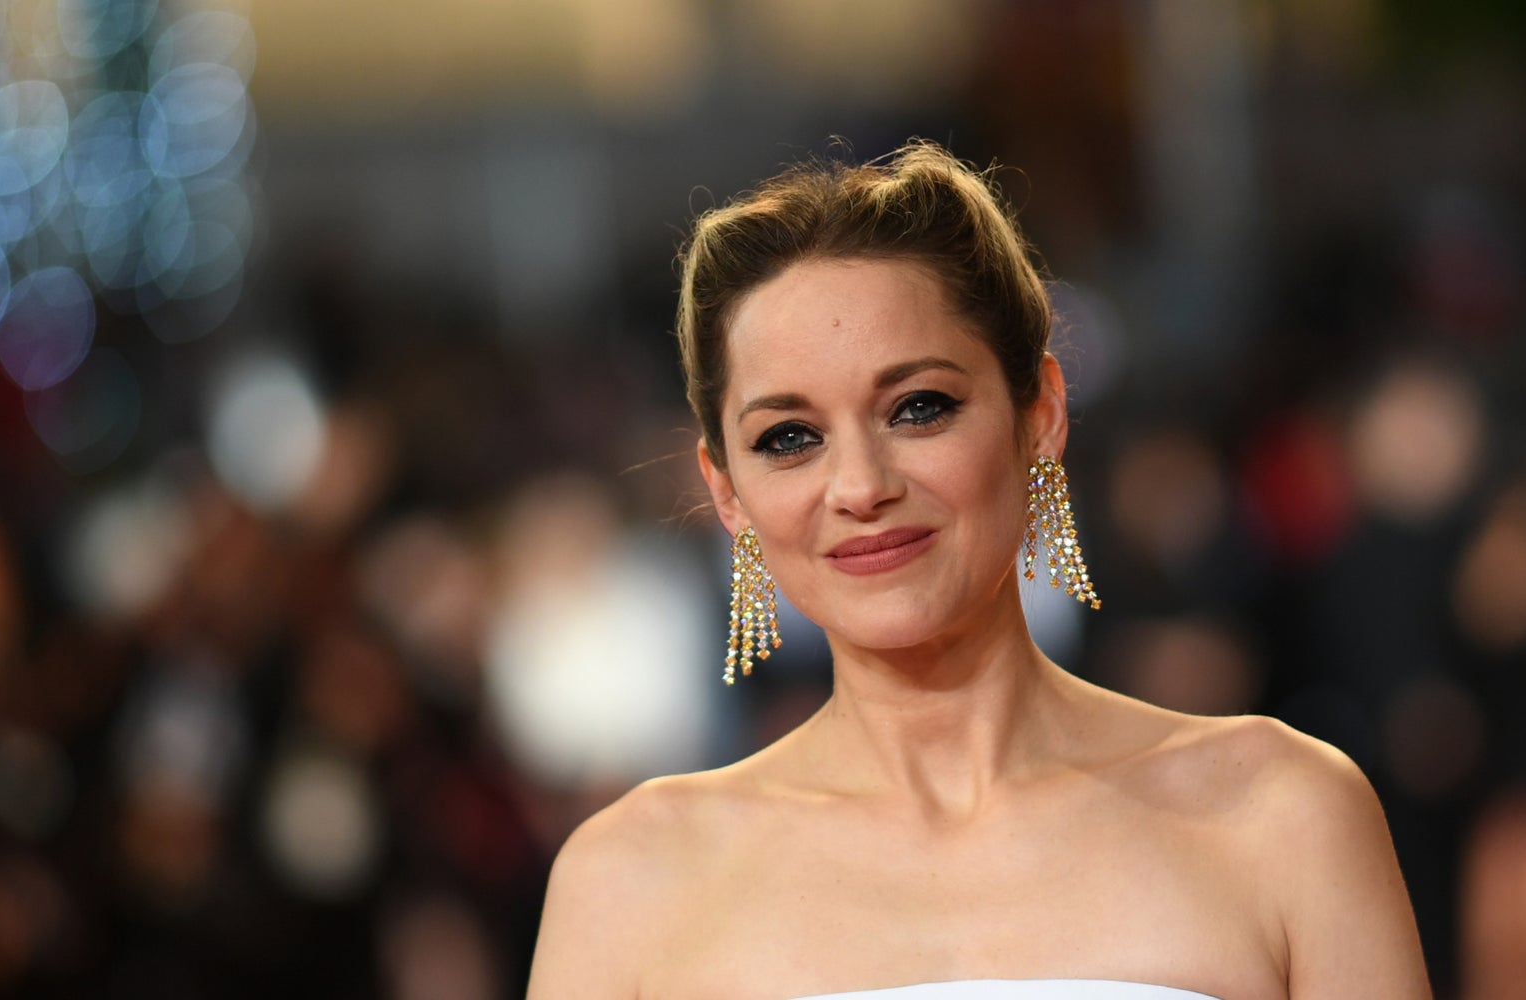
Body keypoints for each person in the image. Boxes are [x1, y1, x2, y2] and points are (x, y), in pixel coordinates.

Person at [525, 142, 1429, 1000]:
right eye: (788, 439)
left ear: (1039, 415)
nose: (860, 487)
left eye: (919, 408)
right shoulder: (629, 879)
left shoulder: (1283, 817)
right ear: (726, 490)